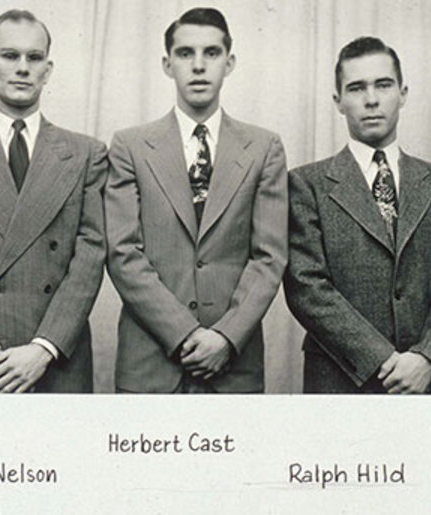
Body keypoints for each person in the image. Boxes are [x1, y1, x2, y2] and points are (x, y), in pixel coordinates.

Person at [105, 7, 288, 393]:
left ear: (230, 62)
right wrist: (184, 333)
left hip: (234, 366)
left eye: (212, 53)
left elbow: (270, 256)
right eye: (186, 54)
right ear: (167, 64)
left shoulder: (264, 147)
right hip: (150, 368)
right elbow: (123, 253)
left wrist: (225, 337)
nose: (199, 66)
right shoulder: (130, 146)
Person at [0, 10, 107, 393]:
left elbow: (90, 258)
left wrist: (42, 349)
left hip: (54, 362)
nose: (23, 68)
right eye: (10, 56)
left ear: (48, 69)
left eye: (34, 58)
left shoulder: (86, 154)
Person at [284, 37, 431, 393]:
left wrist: (427, 357)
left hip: (428, 383)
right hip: (340, 381)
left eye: (383, 85)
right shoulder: (306, 184)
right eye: (356, 88)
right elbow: (306, 287)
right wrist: (383, 359)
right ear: (339, 102)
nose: (372, 99)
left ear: (403, 94)